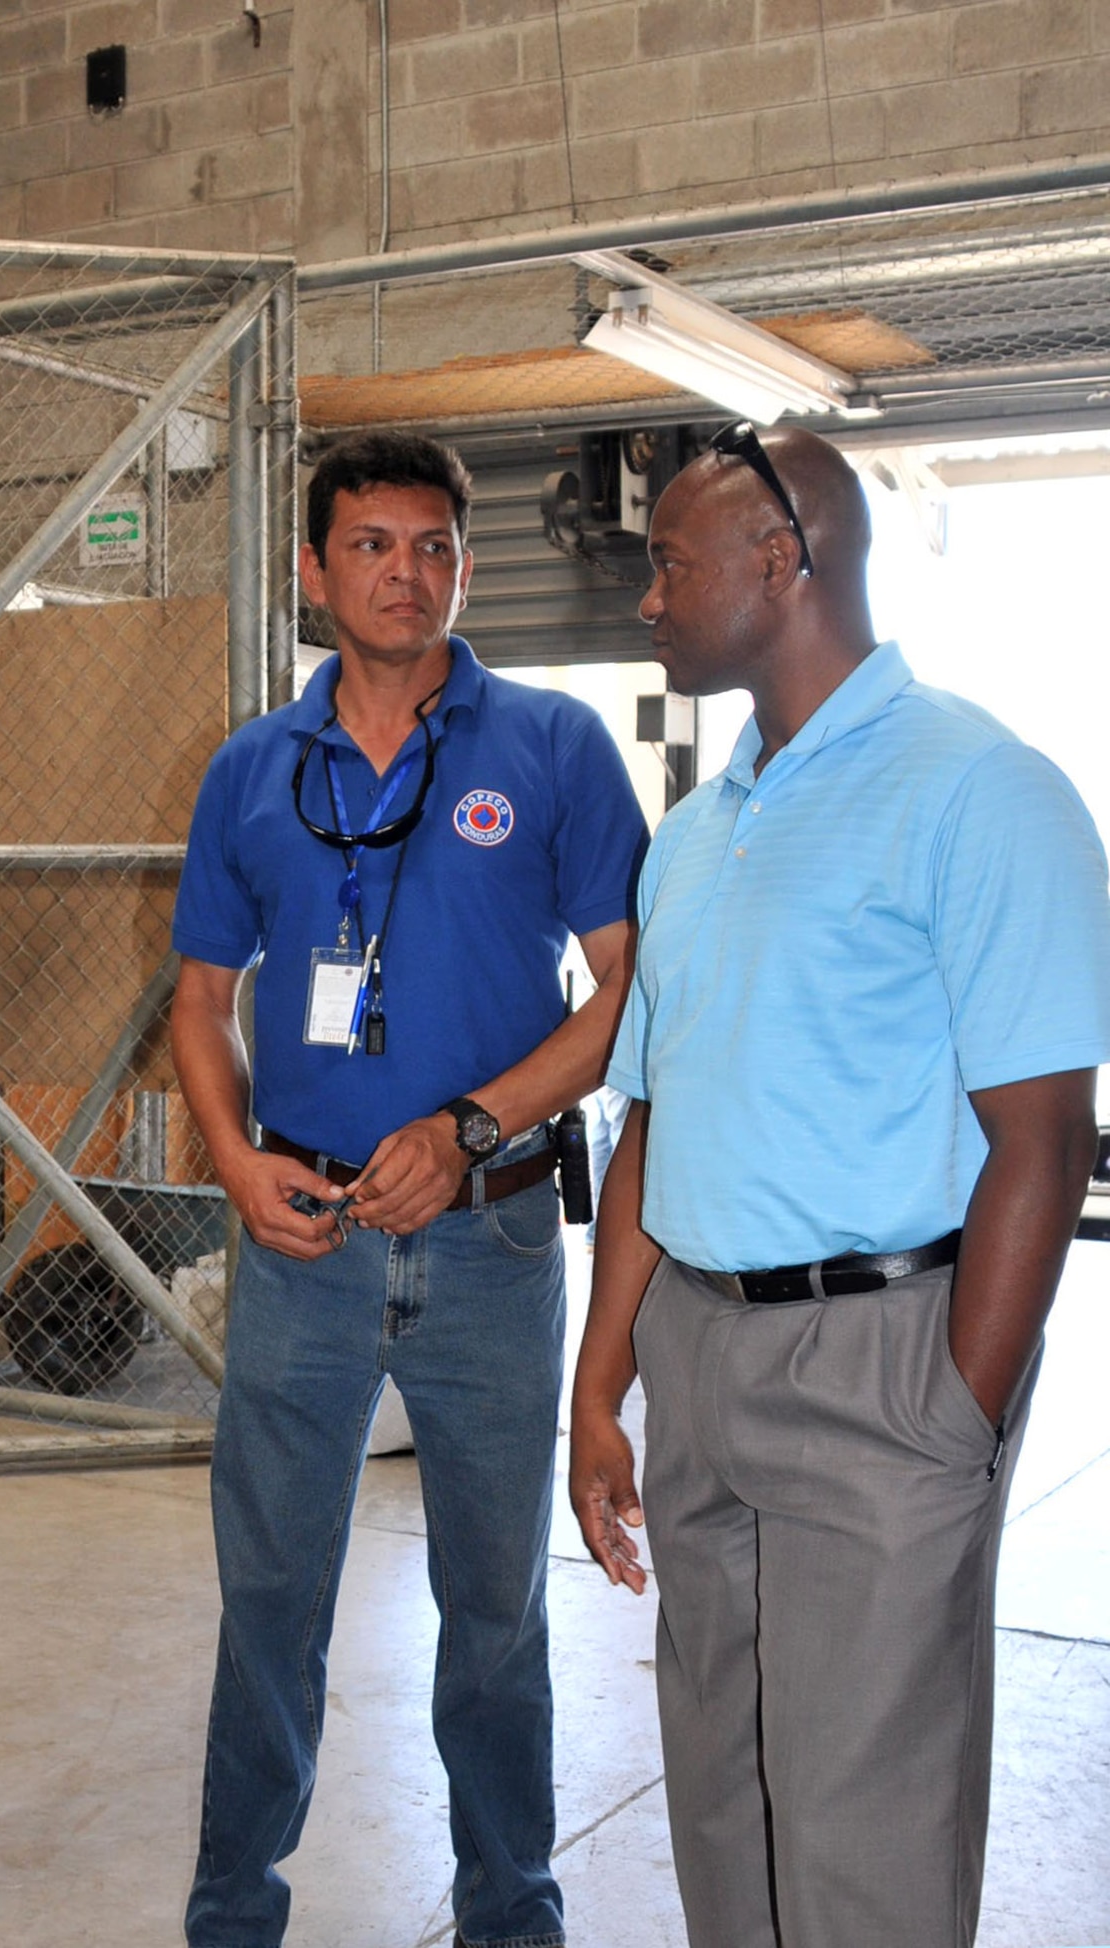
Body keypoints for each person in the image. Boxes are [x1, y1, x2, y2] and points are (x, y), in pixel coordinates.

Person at [568, 423, 1110, 1948]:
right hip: (700, 1356)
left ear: (782, 557)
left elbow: (1045, 1140)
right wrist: (603, 1379)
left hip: (885, 1363)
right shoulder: (696, 835)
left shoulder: (980, 792)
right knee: (722, 1804)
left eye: (669, 562)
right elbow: (650, 1126)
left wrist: (954, 1419)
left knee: (862, 1827)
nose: (648, 600)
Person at [171, 428, 648, 1948]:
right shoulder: (254, 770)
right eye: (373, 545)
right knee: (269, 1614)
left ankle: (514, 1916)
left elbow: (627, 995)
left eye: (435, 545)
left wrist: (472, 1126)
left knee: (496, 1619)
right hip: (300, 1249)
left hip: (492, 1238)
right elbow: (198, 999)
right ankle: (232, 1918)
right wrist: (238, 1162)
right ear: (316, 573)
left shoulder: (553, 746)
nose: (409, 572)